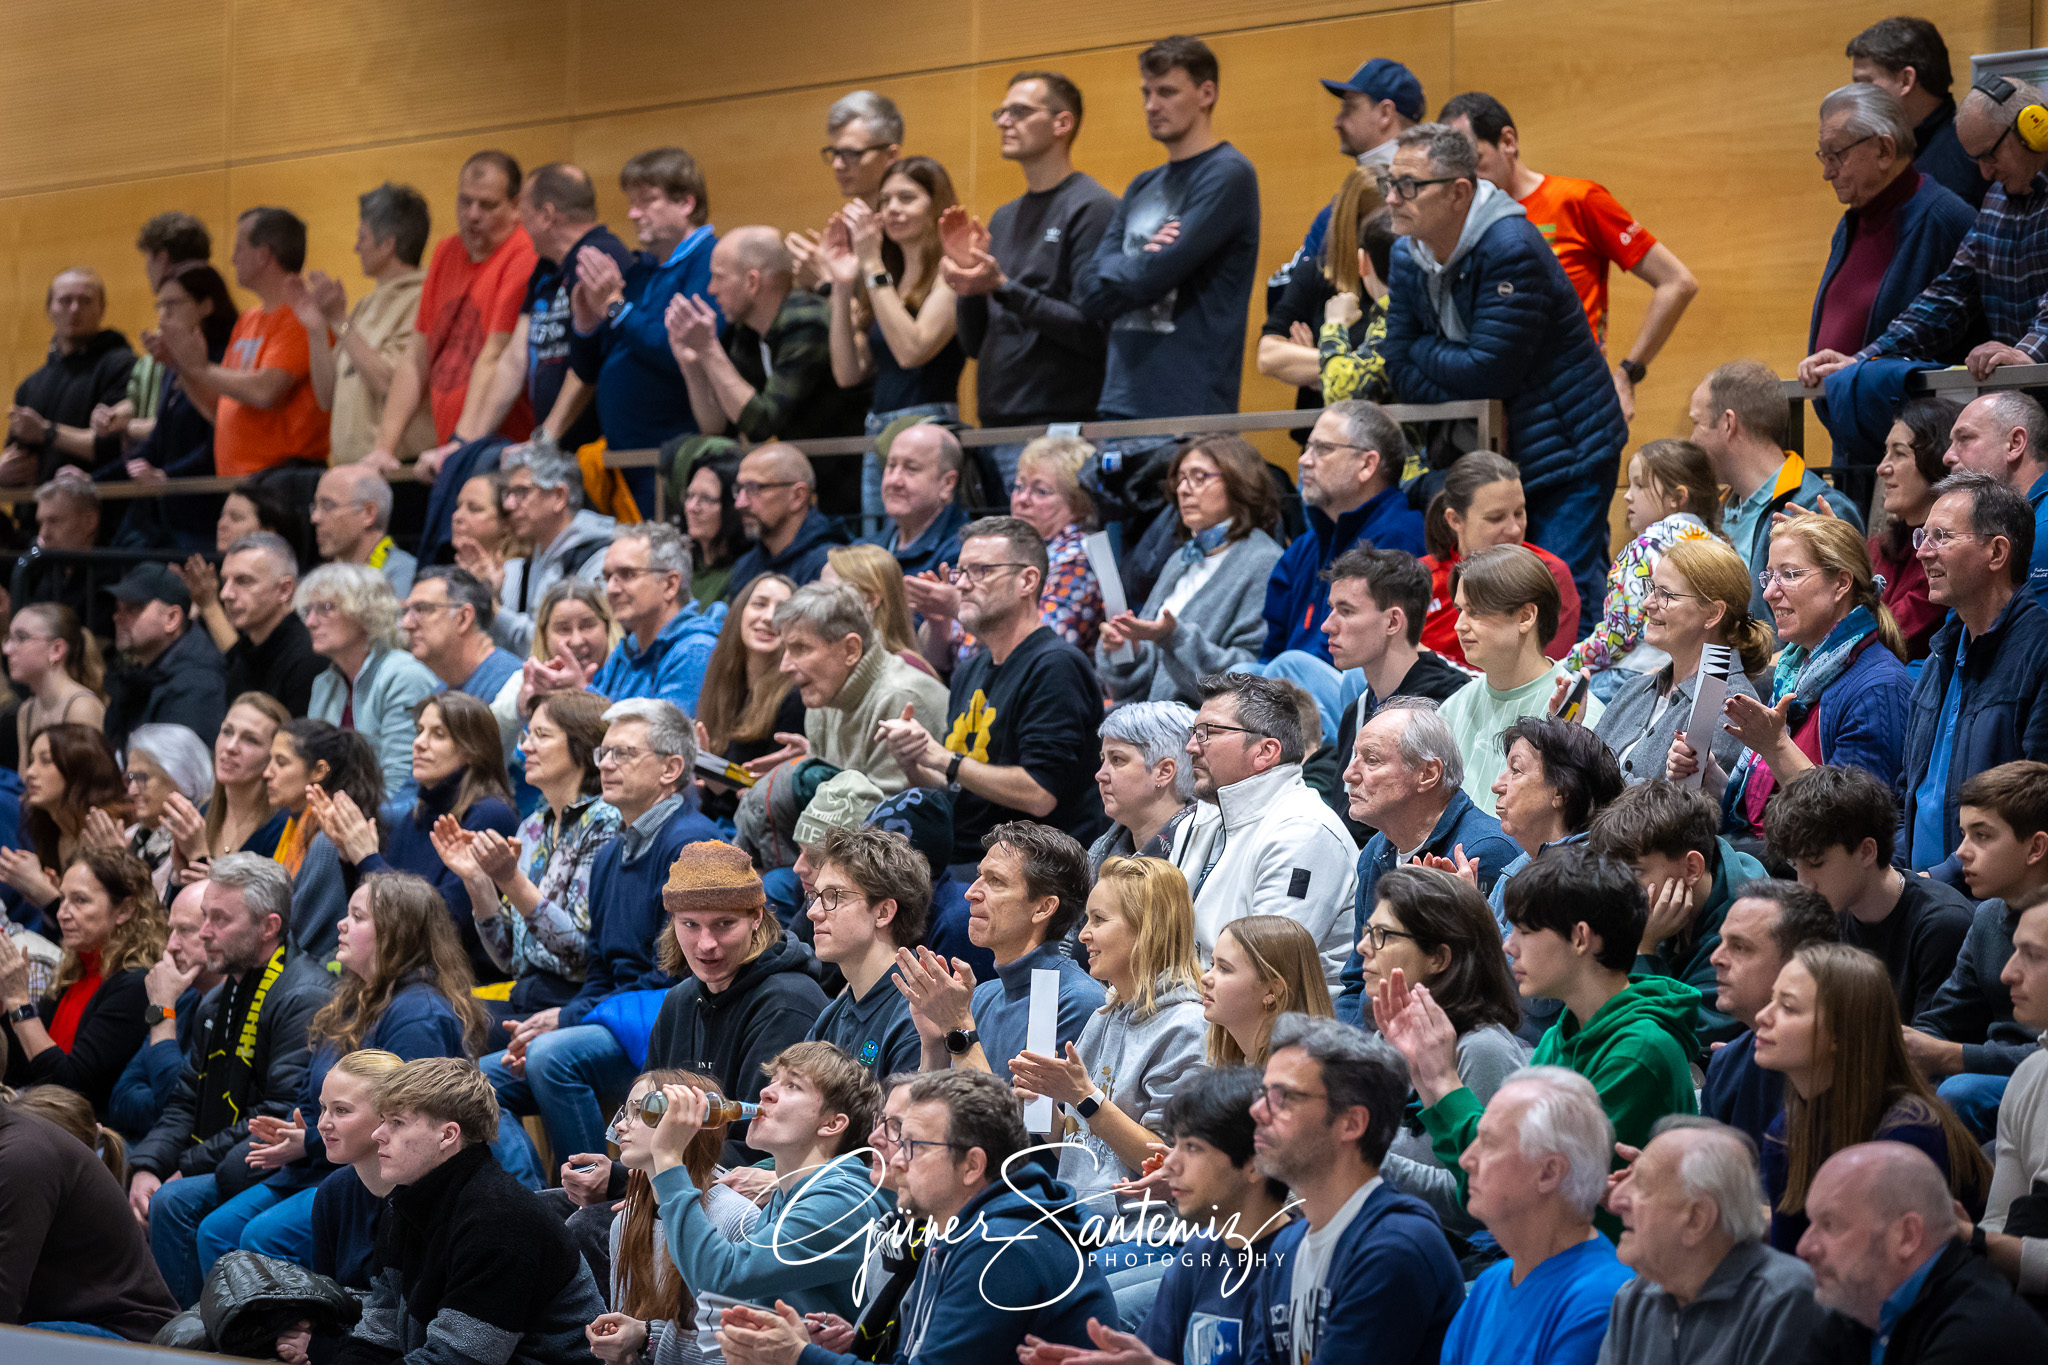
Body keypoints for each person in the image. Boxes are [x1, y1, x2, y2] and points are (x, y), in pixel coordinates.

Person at [1378, 844, 1698, 1239]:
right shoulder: (1560, 1034)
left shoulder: (1638, 1054)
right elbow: (1486, 1181)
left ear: (1581, 938)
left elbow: (1527, 1188)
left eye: (1525, 931)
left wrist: (1443, 1082)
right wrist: (1429, 1079)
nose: (1508, 946)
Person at [1379, 127, 1625, 624]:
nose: (1391, 198)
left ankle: (1578, 700)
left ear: (1459, 192)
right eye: (1389, 182)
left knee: (1555, 595)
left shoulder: (1511, 244)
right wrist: (1447, 359)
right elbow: (1398, 368)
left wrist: (1428, 351)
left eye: (1408, 185)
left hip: (1568, 444)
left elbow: (1487, 371)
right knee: (1501, 600)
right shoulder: (1405, 252)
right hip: (1499, 450)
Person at [198, 872, 495, 1273]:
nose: (341, 924)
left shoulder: (418, 1017)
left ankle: (303, 1333)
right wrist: (301, 1131)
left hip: (378, 1174)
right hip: (328, 1160)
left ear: (396, 933)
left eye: (357, 916)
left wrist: (307, 1141)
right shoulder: (352, 999)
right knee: (215, 1229)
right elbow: (310, 1094)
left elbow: (411, 1125)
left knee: (263, 1236)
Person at [719, 1068, 1117, 1365]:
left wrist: (801, 1357)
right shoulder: (954, 1229)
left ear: (971, 1166)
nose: (897, 1159)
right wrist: (859, 1343)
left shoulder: (1002, 1248)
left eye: (912, 1145)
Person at [483, 699, 718, 1162]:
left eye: (623, 754)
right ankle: (538, 1202)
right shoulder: (612, 853)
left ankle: (596, 1191)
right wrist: (567, 1015)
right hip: (615, 1014)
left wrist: (569, 1019)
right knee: (481, 1080)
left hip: (670, 1023)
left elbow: (676, 975)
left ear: (672, 768)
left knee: (552, 1057)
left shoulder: (690, 844)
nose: (606, 764)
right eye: (603, 754)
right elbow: (599, 968)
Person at [127, 854, 333, 1307]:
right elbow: (184, 1099)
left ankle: (187, 1340)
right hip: (225, 1155)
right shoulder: (218, 998)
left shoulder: (304, 997)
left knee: (175, 1201)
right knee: (144, 1181)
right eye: (204, 918)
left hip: (279, 1161)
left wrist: (185, 1166)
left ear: (269, 926)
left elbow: (277, 1112)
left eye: (219, 919)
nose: (204, 933)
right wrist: (148, 1165)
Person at [1439, 92, 1698, 419]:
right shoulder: (1463, 224)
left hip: (1575, 403)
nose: (1470, 180)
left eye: (1476, 162)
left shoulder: (1577, 201)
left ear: (1508, 141)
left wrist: (1628, 374)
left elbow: (1677, 282)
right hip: (1496, 409)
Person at [331, 1057, 604, 1364]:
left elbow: (459, 1358)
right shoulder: (405, 1207)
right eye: (381, 1120)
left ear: (447, 1135)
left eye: (397, 1122)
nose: (377, 1134)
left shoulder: (501, 1221)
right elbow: (379, 1335)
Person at [876, 517, 1107, 865]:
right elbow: (956, 786)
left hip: (1032, 868)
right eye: (961, 572)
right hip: (967, 857)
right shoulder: (970, 669)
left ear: (1027, 580)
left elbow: (1039, 794)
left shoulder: (1056, 665)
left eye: (981, 571)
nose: (963, 586)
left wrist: (941, 757)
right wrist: (914, 759)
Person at [1235, 1015, 1464, 1365]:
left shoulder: (1396, 1246)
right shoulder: (1287, 1246)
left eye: (1282, 1097)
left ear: (1351, 1123)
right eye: (1262, 1093)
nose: (1257, 1111)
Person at [1803, 74, 2048, 389]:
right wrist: (1864, 360)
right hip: (2025, 404)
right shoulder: (1995, 203)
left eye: (1990, 155)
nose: (1986, 172)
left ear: (2035, 128)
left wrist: (2026, 356)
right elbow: (1949, 297)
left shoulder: (1947, 214)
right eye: (1976, 161)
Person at [1753, 941, 1990, 1250]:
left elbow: (1895, 1273)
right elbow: (1794, 1264)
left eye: (1788, 1007)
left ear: (1840, 1033)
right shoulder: (1787, 1130)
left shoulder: (1910, 1134)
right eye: (1771, 1001)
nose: (1762, 1016)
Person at [1695, 513, 1910, 835]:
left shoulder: (1878, 688)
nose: (1768, 593)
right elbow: (1764, 815)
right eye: (1769, 577)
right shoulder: (1795, 671)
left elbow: (1852, 829)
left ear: (1840, 583)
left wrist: (1776, 746)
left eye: (1790, 575)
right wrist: (1710, 776)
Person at [1010, 855, 1205, 1208]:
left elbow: (1171, 1164)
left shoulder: (1188, 1028)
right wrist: (1042, 1105)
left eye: (1099, 920)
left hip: (1141, 1235)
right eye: (1087, 919)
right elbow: (1083, 1152)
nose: (1083, 934)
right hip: (1079, 1221)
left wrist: (1084, 1096)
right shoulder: (1104, 1016)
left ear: (1148, 929)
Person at [945, 69, 1117, 448]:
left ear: (1062, 123)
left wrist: (1003, 288)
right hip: (995, 422)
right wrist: (969, 284)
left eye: (1020, 112)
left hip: (1060, 428)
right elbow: (974, 345)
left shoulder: (1093, 208)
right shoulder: (1004, 218)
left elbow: (1092, 331)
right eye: (1001, 113)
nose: (1004, 122)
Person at [646, 1043, 883, 1315]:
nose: (765, 1092)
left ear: (832, 1124)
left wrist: (668, 1158)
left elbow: (720, 1278)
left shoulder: (841, 1201)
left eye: (793, 1085)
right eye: (773, 1081)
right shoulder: (786, 1197)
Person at [1334, 697, 1522, 1027]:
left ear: (1427, 773)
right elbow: (1355, 982)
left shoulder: (1484, 852)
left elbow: (1485, 989)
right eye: (1354, 758)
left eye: (1371, 760)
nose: (1350, 774)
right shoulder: (1376, 851)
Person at [1361, 866, 1530, 1233]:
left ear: (1439, 957)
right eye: (1366, 933)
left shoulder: (1482, 1050)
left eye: (1382, 935)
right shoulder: (1382, 1038)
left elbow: (1481, 1201)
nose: (1363, 948)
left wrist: (1359, 1161)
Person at [1901, 472, 2048, 880]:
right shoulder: (1940, 654)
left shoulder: (2040, 654)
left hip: (1994, 904)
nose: (1923, 553)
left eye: (1941, 537)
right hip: (1924, 891)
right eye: (1921, 537)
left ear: (1997, 552)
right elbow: (1906, 791)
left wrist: (1940, 879)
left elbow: (2035, 804)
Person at [1436, 1068, 1636, 1365]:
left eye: (1488, 1143)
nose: (1466, 1160)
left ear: (1548, 1172)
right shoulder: (1491, 1283)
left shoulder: (1601, 1303)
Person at [644, 841, 831, 1158]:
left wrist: (631, 1175)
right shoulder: (680, 1001)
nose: (706, 944)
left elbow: (756, 1148)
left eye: (724, 924)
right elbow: (646, 1115)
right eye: (690, 924)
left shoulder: (787, 1004)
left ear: (756, 917)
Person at [1803, 82, 1976, 416]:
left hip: (1923, 448)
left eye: (1836, 155)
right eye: (1823, 157)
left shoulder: (1946, 219)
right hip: (1857, 448)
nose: (1827, 173)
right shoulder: (1850, 223)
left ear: (1883, 150)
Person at [1183, 672, 1358, 996]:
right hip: (1201, 1019)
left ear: (1265, 751)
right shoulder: (1204, 816)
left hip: (1285, 1038)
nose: (1192, 746)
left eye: (1208, 732)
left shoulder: (1303, 833)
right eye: (1194, 731)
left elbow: (1259, 978)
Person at [1600, 1116, 1823, 1365]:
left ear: (1697, 1219)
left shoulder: (1784, 1301)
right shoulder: (1635, 1299)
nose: (1614, 1199)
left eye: (1641, 1185)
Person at [1799, 1141, 2048, 1363]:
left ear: (1907, 1236)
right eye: (1811, 1223)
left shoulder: (1980, 1333)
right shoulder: (1861, 1305)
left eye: (1830, 1225)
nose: (1804, 1247)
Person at [366, 150, 537, 470]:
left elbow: (496, 354)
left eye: (487, 205)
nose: (472, 214)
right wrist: (384, 448)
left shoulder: (524, 251)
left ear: (516, 207)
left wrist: (463, 442)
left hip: (499, 450)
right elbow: (416, 357)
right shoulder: (447, 251)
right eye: (465, 202)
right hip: (453, 450)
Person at [896, 821, 1105, 1083]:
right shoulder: (983, 995)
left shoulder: (1078, 1002)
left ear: (1043, 908)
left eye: (996, 881)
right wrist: (935, 1044)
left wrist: (957, 1026)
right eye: (979, 875)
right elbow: (944, 1110)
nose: (971, 892)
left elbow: (1024, 1123)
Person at [331, 691, 519, 981]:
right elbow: (373, 916)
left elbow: (445, 925)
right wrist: (349, 855)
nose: (419, 743)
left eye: (438, 734)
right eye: (420, 731)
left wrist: (367, 857)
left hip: (461, 982)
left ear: (472, 750)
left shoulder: (490, 815)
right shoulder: (417, 816)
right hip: (405, 971)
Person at [453, 689, 617, 1020]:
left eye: (541, 735)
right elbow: (509, 957)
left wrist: (511, 881)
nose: (524, 746)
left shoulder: (606, 822)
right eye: (527, 734)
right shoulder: (532, 827)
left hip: (574, 1002)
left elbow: (579, 953)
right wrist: (477, 880)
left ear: (584, 747)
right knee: (436, 1013)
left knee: (443, 1025)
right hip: (526, 991)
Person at [1763, 764, 1973, 1022]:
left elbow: (1928, 1051)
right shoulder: (1827, 914)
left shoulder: (1943, 925)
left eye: (1816, 863)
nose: (1805, 883)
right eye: (1796, 865)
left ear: (1866, 852)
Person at [1910, 761, 2048, 1139]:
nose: (1962, 853)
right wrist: (1903, 1049)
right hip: (1993, 1069)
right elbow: (1944, 1018)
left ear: (2035, 847)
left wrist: (1950, 1056)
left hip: (2031, 1080)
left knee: (1960, 1093)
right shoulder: (1986, 916)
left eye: (1982, 836)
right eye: (1963, 835)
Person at [822, 157, 965, 519]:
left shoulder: (951, 268)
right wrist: (840, 285)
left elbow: (912, 350)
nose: (892, 210)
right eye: (884, 201)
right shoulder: (888, 277)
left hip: (927, 428)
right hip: (879, 429)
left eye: (906, 198)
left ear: (935, 206)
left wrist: (871, 264)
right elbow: (847, 373)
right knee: (880, 552)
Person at [581, 1065, 749, 1365]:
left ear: (688, 1126)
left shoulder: (735, 1217)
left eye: (642, 1111)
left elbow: (735, 1355)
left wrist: (648, 1338)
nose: (620, 1127)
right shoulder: (625, 1222)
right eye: (625, 1112)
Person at [1101, 435, 1285, 708]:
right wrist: (1128, 649)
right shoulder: (1179, 559)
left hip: (1202, 732)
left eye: (1199, 477)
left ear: (1240, 482)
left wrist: (1173, 638)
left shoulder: (1265, 561)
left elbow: (1252, 677)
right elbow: (1134, 689)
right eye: (1181, 479)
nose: (1184, 490)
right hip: (1148, 726)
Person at [564, 148, 719, 472]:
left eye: (646, 201)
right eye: (631, 204)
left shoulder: (710, 260)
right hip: (622, 460)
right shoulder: (639, 272)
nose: (634, 214)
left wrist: (615, 308)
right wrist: (586, 324)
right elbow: (590, 369)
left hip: (673, 461)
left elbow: (681, 349)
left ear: (685, 203)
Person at [1588, 781, 1766, 1050]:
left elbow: (1657, 1041)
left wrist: (1644, 949)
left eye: (1634, 873)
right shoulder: (1658, 901)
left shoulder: (1751, 933)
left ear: (1692, 868)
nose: (1618, 888)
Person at [466, 163, 628, 453]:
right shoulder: (545, 270)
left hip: (594, 452)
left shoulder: (599, 258)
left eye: (524, 213)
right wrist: (466, 443)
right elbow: (514, 360)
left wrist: (545, 438)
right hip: (555, 450)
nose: (520, 223)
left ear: (547, 216)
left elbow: (588, 364)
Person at [1261, 402, 1425, 681]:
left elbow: (1367, 661)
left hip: (1361, 699)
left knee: (1285, 667)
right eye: (1308, 447)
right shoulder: (1304, 547)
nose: (1304, 460)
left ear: (1367, 464)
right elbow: (1270, 648)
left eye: (1322, 449)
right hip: (1291, 702)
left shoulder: (1399, 540)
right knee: (1245, 675)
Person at [1690, 361, 1864, 620]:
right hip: (1716, 660)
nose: (1692, 440)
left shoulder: (1820, 508)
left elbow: (1851, 622)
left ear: (1728, 423)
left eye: (1697, 423)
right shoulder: (1713, 510)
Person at [1438, 545, 1604, 816]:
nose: (1459, 625)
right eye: (1459, 610)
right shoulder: (1452, 708)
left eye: (1475, 611)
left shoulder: (1581, 717)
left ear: (1525, 616)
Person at [0, 848, 167, 1115]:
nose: (63, 913)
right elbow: (24, 1069)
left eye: (80, 901)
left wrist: (19, 1001)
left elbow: (71, 1086)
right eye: (62, 899)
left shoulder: (136, 985)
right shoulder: (74, 972)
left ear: (124, 910)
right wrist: (5, 1005)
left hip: (86, 1133)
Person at [0, 1092, 178, 1340]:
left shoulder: (25, 1156)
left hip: (126, 1336)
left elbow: (3, 1300)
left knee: (17, 1341)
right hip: (62, 1321)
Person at [669, 226, 868, 445]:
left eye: (718, 277)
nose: (711, 289)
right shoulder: (746, 332)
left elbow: (762, 425)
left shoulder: (805, 321)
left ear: (752, 282)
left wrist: (710, 350)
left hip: (838, 471)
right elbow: (719, 427)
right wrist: (692, 364)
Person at [1593, 538, 1769, 785]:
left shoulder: (1731, 706)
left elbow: (1676, 809)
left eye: (1665, 594)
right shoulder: (1633, 689)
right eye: (1651, 588)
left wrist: (1596, 781)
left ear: (1712, 613)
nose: (1647, 604)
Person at [175, 208, 329, 474]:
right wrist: (183, 365)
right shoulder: (247, 319)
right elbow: (220, 407)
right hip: (243, 480)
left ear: (264, 255)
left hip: (281, 478)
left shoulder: (301, 317)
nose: (232, 259)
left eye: (239, 248)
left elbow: (264, 392)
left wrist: (201, 369)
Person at [1564, 439, 1721, 694]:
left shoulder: (1643, 549)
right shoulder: (1722, 548)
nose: (1627, 495)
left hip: (1632, 676)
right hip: (1702, 676)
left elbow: (1618, 635)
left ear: (1677, 498)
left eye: (1639, 485)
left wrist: (1568, 663)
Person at [303, 182, 438, 466]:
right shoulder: (366, 305)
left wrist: (340, 320)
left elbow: (390, 383)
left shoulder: (423, 298)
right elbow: (327, 397)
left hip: (396, 467)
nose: (355, 248)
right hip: (350, 468)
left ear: (388, 244)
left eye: (362, 238)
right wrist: (318, 328)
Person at [1700, 881, 1840, 1150]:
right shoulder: (1726, 1066)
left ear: (1801, 962)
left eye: (1740, 947)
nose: (1716, 958)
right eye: (1721, 942)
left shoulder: (1863, 1084)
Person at [778, 581, 947, 796]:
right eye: (785, 649)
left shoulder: (899, 698)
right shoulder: (823, 695)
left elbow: (888, 822)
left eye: (801, 648)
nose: (785, 666)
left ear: (851, 650)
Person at [1418, 451, 1584, 666]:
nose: (1514, 529)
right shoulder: (1419, 580)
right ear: (1455, 519)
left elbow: (1546, 672)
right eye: (1495, 518)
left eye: (1519, 513)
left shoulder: (1550, 574)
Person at [299, 562, 442, 800]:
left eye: (326, 608)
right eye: (308, 611)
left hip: (386, 821)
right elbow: (312, 772)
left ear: (365, 612)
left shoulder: (403, 677)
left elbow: (401, 786)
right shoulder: (324, 684)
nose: (310, 622)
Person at [805, 826, 930, 1080]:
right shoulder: (832, 1016)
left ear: (883, 913)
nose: (813, 912)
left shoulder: (917, 1016)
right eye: (815, 896)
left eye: (833, 896)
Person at [1972, 890, 2048, 1294]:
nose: (2007, 974)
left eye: (2033, 955)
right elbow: (1997, 1225)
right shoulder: (2032, 1073)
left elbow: (2001, 1245)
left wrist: (1985, 1245)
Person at [106, 878, 217, 1143]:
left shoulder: (170, 999)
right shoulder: (184, 997)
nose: (171, 946)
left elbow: (178, 1106)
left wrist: (162, 1010)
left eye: (186, 930)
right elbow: (120, 1098)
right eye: (171, 930)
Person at [263, 719, 382, 959]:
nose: (267, 773)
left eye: (281, 762)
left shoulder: (329, 841)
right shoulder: (292, 826)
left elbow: (306, 940)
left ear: (318, 771)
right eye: (269, 760)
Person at [3, 267, 134, 485]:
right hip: (40, 512)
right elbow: (18, 455)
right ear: (49, 309)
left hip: (96, 507)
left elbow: (114, 448)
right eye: (65, 301)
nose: (74, 309)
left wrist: (47, 432)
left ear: (102, 309)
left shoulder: (121, 365)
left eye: (85, 301)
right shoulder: (31, 384)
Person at [491, 437, 614, 656]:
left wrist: (493, 612)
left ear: (559, 496)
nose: (509, 505)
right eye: (508, 494)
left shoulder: (602, 558)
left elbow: (571, 645)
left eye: (522, 492)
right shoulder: (538, 556)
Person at [1846, 16, 1986, 207]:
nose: (1857, 97)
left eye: (1865, 83)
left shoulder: (1972, 155)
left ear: (1906, 80)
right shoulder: (1886, 150)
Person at [4, 724, 134, 926]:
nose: (29, 772)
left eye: (46, 761)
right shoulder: (50, 830)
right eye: (31, 761)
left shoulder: (111, 832)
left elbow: (116, 926)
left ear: (79, 769)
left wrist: (46, 895)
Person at [188, 531, 327, 719]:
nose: (225, 594)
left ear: (284, 590)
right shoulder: (247, 652)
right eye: (224, 581)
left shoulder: (308, 658)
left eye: (243, 581)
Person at [590, 522, 721, 713]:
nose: (611, 589)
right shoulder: (626, 650)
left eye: (627, 574)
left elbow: (660, 740)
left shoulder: (695, 651)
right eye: (608, 577)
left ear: (670, 585)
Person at [1869, 397, 1962, 660]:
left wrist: (1837, 557)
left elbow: (1876, 639)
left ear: (1936, 460)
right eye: (1886, 453)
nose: (1882, 468)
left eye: (1899, 453)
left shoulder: (1944, 555)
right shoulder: (1878, 546)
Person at [695, 573, 802, 800]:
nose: (769, 617)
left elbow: (765, 798)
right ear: (739, 613)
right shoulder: (723, 683)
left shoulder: (794, 699)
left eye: (782, 610)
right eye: (759, 604)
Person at [101, 562, 227, 752]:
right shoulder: (137, 673)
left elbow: (174, 773)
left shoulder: (198, 684)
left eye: (133, 608)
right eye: (118, 608)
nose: (117, 617)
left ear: (172, 619)